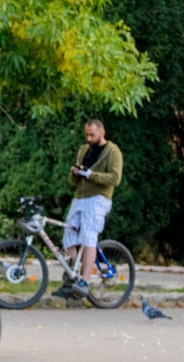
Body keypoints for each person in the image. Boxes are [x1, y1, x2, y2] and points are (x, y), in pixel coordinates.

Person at [56, 118, 124, 298]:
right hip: (80, 197)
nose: (88, 138)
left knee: (88, 237)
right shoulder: (84, 150)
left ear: (102, 132)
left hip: (99, 199)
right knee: (68, 236)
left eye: (92, 135)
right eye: (86, 134)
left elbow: (115, 179)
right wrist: (75, 173)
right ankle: (74, 275)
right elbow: (74, 181)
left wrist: (90, 174)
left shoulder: (112, 152)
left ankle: (84, 281)